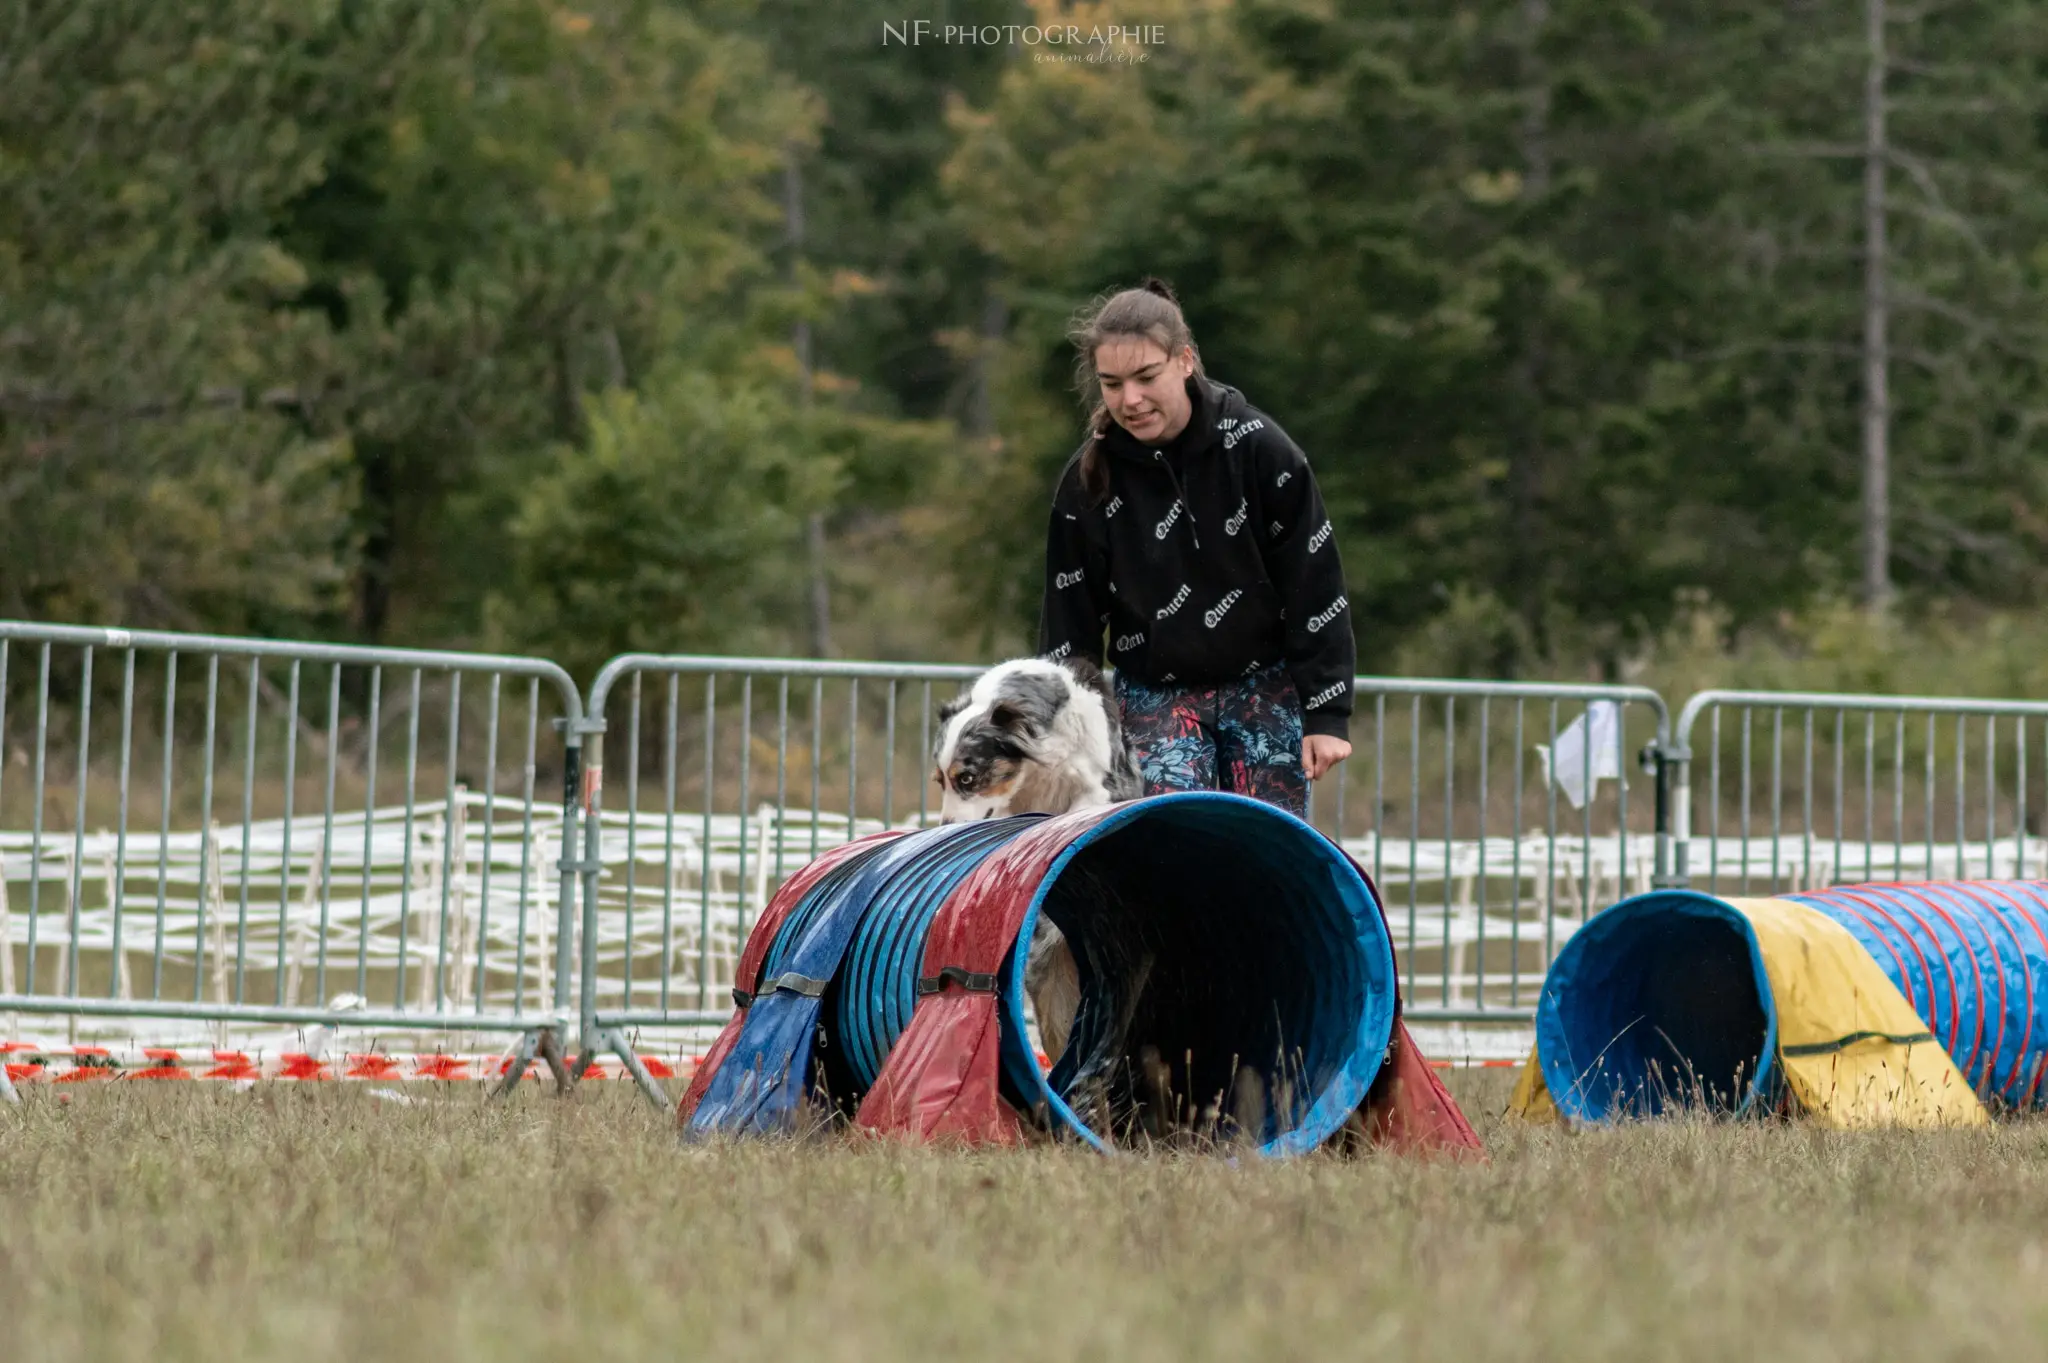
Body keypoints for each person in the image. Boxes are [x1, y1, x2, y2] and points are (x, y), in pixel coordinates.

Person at [1038, 279, 1355, 817]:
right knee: (1174, 850)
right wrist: (1065, 731)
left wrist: (1328, 715)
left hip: (1265, 690)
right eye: (1112, 384)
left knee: (1266, 856)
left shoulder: (1260, 450)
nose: (1130, 400)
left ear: (1184, 361)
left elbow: (1314, 583)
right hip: (1155, 697)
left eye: (1146, 378)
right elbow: (1070, 626)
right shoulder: (1086, 482)